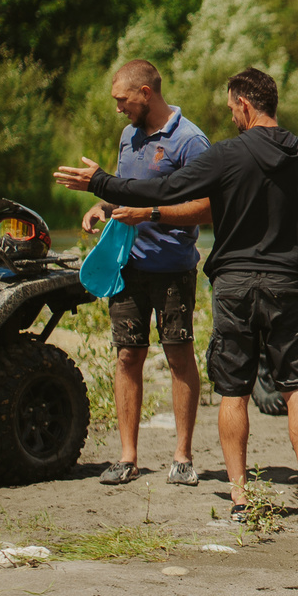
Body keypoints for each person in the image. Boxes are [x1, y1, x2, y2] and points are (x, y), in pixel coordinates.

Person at [56, 67, 298, 524]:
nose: (231, 117)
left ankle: (241, 499)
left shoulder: (227, 155)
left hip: (234, 286)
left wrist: (101, 184)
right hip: (288, 284)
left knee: (233, 391)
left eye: (232, 109)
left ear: (245, 104)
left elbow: (165, 189)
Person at [86, 60, 211, 487]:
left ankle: (182, 455)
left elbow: (207, 207)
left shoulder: (190, 141)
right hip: (127, 266)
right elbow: (125, 187)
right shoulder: (128, 136)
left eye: (122, 100)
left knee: (178, 354)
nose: (118, 108)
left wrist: (151, 214)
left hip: (173, 268)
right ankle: (127, 457)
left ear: (144, 92)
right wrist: (101, 207)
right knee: (127, 355)